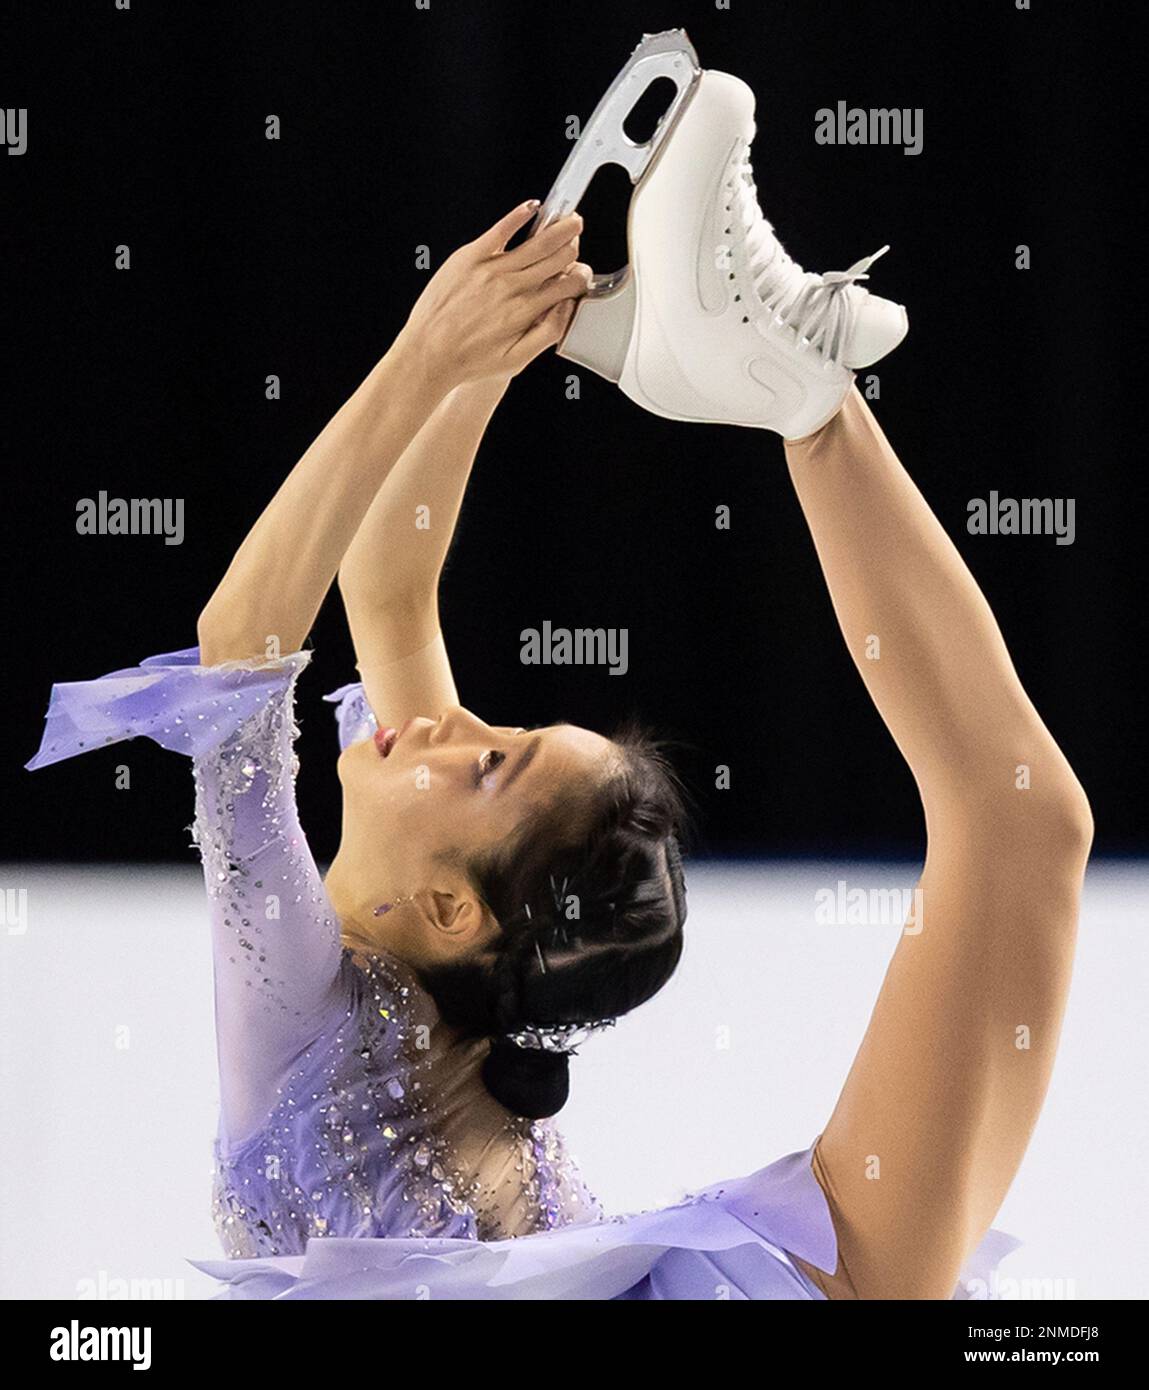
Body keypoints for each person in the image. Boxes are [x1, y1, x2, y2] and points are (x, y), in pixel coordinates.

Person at [28, 173, 1091, 1298]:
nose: (448, 721)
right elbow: (384, 590)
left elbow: (260, 637)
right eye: (502, 738)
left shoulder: (299, 999)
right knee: (1025, 824)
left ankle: (802, 388)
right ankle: (806, 390)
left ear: (456, 908)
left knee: (1029, 825)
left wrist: (446, 354)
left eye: (491, 760)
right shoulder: (409, 984)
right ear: (453, 911)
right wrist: (487, 346)